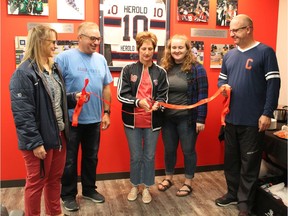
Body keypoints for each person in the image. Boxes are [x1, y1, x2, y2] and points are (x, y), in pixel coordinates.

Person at [9, 25, 79, 216]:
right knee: (36, 183)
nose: (55, 46)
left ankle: (54, 213)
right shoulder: (23, 73)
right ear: (40, 42)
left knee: (55, 179)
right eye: (52, 42)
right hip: (39, 141)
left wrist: (73, 98)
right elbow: (23, 114)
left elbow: (54, 100)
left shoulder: (53, 68)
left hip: (58, 135)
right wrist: (35, 143)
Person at [215, 14, 281, 216]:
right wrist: (223, 87)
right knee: (231, 161)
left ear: (248, 29)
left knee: (249, 165)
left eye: (235, 30)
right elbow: (221, 82)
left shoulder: (265, 52)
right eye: (231, 30)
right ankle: (232, 194)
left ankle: (245, 204)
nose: (231, 34)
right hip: (231, 119)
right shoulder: (229, 55)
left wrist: (267, 113)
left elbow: (274, 84)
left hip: (254, 121)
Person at [55, 22, 113, 211]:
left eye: (98, 38)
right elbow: (56, 89)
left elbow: (106, 87)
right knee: (69, 160)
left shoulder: (101, 59)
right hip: (71, 121)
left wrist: (106, 112)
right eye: (92, 38)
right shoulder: (63, 58)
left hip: (94, 120)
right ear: (80, 38)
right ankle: (68, 195)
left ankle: (89, 189)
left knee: (91, 157)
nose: (96, 42)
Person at [117, 31, 169, 204]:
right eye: (143, 49)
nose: (147, 52)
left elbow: (164, 96)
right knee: (136, 156)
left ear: (154, 50)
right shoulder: (128, 69)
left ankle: (146, 187)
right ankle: (134, 185)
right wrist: (138, 102)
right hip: (132, 121)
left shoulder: (160, 72)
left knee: (149, 156)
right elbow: (121, 95)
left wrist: (158, 104)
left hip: (152, 123)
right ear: (138, 50)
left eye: (150, 49)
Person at [158, 34, 208, 196]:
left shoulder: (197, 68)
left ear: (187, 49)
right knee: (169, 150)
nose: (177, 50)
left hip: (188, 119)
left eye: (181, 47)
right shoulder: (165, 68)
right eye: (174, 47)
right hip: (167, 119)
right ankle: (169, 177)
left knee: (188, 150)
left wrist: (201, 119)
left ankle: (188, 182)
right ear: (169, 49)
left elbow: (203, 95)